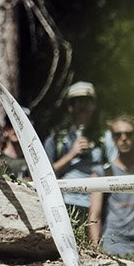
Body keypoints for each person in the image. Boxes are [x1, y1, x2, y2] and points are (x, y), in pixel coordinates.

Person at [42, 81, 112, 226]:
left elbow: (115, 172)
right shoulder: (56, 138)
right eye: (78, 102)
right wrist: (71, 154)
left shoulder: (104, 138)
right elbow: (44, 175)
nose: (83, 106)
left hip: (96, 209)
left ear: (94, 106)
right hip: (63, 205)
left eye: (88, 101)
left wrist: (100, 171)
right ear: (70, 106)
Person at [89, 117, 134, 257]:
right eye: (118, 134)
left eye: (128, 134)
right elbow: (95, 214)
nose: (123, 139)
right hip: (113, 249)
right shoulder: (102, 172)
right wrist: (95, 251)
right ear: (112, 138)